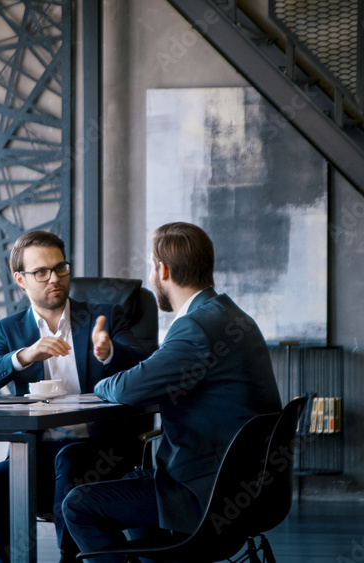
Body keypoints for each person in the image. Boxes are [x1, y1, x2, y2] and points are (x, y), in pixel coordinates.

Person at [61, 222, 283, 562]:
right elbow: (158, 371)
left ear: (163, 270)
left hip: (205, 494)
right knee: (129, 482)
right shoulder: (230, 315)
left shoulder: (196, 326)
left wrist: (100, 382)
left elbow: (129, 387)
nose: (151, 274)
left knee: (78, 504)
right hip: (244, 487)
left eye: (151, 266)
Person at [0, 230, 151, 562]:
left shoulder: (105, 315)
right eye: (41, 272)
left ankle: (70, 558)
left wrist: (109, 352)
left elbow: (145, 363)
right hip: (35, 454)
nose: (54, 278)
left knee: (69, 461)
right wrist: (24, 355)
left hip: (100, 451)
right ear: (20, 280)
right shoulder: (11, 329)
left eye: (60, 268)